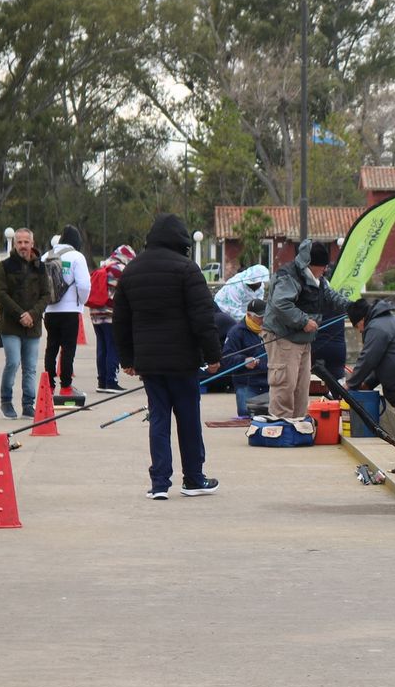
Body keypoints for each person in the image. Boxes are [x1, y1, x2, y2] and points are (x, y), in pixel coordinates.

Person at [113, 213, 223, 499]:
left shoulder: (132, 270)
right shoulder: (187, 269)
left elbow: (120, 320)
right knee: (188, 420)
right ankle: (193, 479)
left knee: (158, 419)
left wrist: (127, 359)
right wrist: (213, 354)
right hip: (183, 361)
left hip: (149, 363)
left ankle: (160, 483)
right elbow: (203, 317)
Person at [264, 239, 349, 421]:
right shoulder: (289, 277)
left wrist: (352, 307)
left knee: (301, 388)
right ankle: (281, 426)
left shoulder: (318, 280)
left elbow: (330, 296)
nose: (325, 270)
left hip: (303, 340)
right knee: (285, 385)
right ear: (310, 265)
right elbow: (280, 304)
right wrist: (303, 321)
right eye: (322, 266)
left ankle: (298, 424)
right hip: (283, 337)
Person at [0, 228, 49, 419]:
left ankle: (28, 404)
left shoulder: (40, 267)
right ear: (14, 244)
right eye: (20, 242)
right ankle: (6, 400)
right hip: (10, 326)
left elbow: (46, 295)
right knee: (13, 362)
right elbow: (1, 294)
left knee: (30, 367)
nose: (23, 246)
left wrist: (32, 315)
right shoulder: (5, 266)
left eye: (26, 242)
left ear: (32, 243)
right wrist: (20, 315)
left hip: (33, 327)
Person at [345, 297, 395, 438]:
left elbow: (368, 358)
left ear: (362, 320)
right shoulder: (390, 320)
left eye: (357, 326)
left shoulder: (376, 327)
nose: (359, 331)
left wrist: (350, 384)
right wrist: (368, 383)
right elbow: (383, 360)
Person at [41, 225, 92, 400]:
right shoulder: (77, 257)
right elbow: (84, 285)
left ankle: (48, 385)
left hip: (49, 310)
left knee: (51, 347)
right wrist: (81, 302)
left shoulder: (46, 256)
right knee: (68, 349)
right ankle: (66, 387)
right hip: (70, 311)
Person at [88, 244, 136, 394]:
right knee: (113, 347)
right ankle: (111, 382)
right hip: (110, 314)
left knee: (102, 347)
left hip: (95, 313)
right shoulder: (120, 270)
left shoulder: (104, 266)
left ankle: (102, 381)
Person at [225, 298, 270, 418]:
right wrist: (243, 361)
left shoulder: (272, 330)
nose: (263, 320)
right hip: (247, 384)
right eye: (260, 317)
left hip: (269, 383)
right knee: (247, 415)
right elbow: (226, 359)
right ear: (249, 315)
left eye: (265, 316)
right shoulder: (236, 332)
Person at [214, 262, 269, 341]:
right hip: (224, 311)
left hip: (244, 313)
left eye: (260, 282)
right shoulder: (236, 285)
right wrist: (250, 323)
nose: (259, 285)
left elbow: (257, 306)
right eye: (257, 283)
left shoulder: (260, 287)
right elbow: (234, 312)